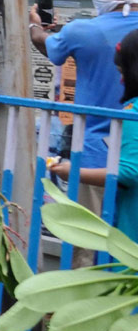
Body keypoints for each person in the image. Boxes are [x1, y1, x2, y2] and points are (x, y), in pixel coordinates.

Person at [31, 0, 138, 232]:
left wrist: (34, 25)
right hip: (135, 158)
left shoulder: (83, 32)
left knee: (90, 245)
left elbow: (46, 43)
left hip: (93, 156)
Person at [55, 28, 138, 243]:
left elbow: (129, 172)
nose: (121, 81)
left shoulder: (133, 113)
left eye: (122, 72)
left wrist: (73, 172)